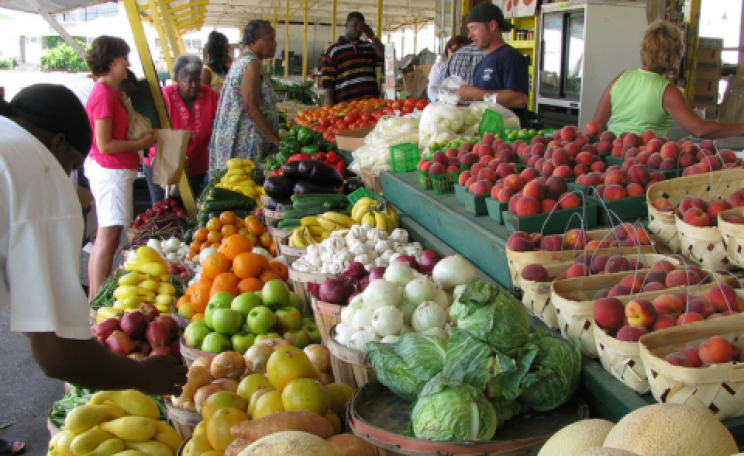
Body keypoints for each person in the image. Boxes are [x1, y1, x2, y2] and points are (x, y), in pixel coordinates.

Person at [0, 84, 187, 455]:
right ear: (56, 144)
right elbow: (59, 354)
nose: (69, 177)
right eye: (72, 166)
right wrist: (143, 376)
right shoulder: (34, 166)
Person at [84, 36, 157, 301]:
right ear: (113, 61)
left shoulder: (111, 91)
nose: (127, 63)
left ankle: (94, 299)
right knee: (108, 239)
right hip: (111, 172)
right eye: (124, 57)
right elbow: (104, 144)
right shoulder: (103, 93)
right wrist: (141, 142)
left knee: (107, 237)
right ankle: (96, 302)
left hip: (114, 172)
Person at [592, 21, 744, 138]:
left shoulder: (621, 78)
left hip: (613, 159)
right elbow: (700, 129)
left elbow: (597, 124)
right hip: (646, 164)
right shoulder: (667, 91)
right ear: (675, 55)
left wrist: (612, 147)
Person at [208, 20, 280, 175]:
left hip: (237, 137)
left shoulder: (241, 61)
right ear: (254, 41)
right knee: (245, 183)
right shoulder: (251, 63)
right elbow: (251, 106)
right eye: (270, 39)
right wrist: (276, 140)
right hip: (246, 141)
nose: (275, 44)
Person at [145, 55, 219, 203]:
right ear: (177, 80)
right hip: (164, 165)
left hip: (196, 166)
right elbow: (149, 129)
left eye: (197, 80)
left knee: (191, 210)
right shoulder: (164, 97)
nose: (194, 85)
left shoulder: (209, 95)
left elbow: (223, 118)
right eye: (188, 81)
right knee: (164, 209)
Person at [456, 3, 530, 126]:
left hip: (508, 139)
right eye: (469, 29)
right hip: (487, 138)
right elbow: (485, 103)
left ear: (492, 26)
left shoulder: (510, 57)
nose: (470, 35)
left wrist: (474, 93)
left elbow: (520, 99)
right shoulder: (481, 64)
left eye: (474, 28)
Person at [320, 12, 384, 106]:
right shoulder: (334, 50)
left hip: (371, 105)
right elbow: (328, 83)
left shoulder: (369, 47)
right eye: (355, 24)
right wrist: (329, 109)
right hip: (346, 107)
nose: (358, 28)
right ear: (346, 25)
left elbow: (384, 56)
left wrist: (372, 37)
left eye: (361, 25)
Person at [428, 36, 471, 101]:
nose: (458, 54)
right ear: (448, 50)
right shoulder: (439, 67)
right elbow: (431, 91)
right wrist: (441, 101)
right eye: (454, 50)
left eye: (462, 52)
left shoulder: (470, 68)